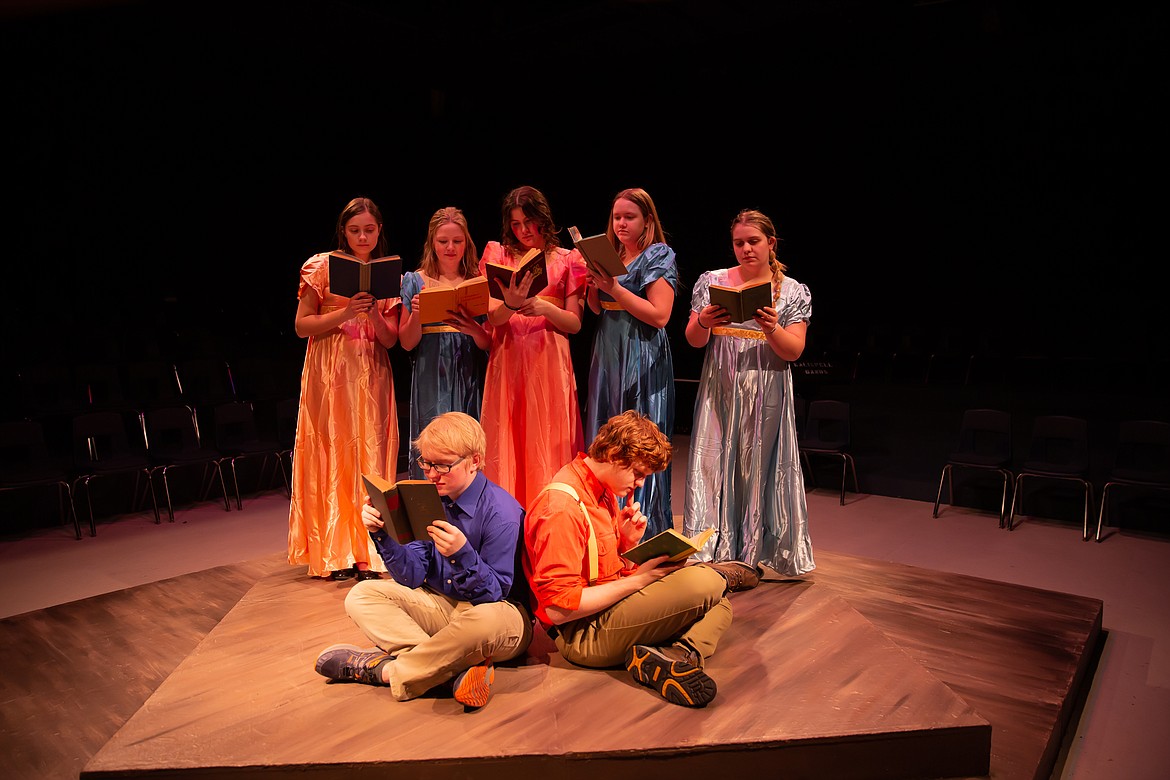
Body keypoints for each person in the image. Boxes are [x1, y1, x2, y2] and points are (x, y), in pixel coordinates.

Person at [522, 410, 758, 708]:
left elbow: (599, 572)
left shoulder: (601, 491)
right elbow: (558, 610)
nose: (640, 484)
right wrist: (641, 580)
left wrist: (625, 543)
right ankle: (721, 575)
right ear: (612, 453)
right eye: (638, 473)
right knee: (704, 582)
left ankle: (675, 657)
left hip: (608, 612)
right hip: (581, 635)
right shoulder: (561, 508)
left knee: (718, 601)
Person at [313, 412, 531, 709]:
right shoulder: (428, 499)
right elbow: (411, 576)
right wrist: (383, 535)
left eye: (443, 465)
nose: (432, 474)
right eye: (426, 463)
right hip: (444, 606)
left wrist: (462, 554)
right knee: (362, 595)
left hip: (500, 617)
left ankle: (384, 670)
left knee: (481, 622)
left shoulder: (502, 512)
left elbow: (496, 594)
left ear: (475, 461)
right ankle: (448, 670)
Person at [682, 209, 814, 577]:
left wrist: (772, 328)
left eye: (753, 241)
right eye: (739, 243)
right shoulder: (713, 280)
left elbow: (793, 351)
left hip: (764, 387)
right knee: (711, 462)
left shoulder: (791, 290)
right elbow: (693, 340)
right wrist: (704, 322)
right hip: (720, 385)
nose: (746, 249)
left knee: (755, 466)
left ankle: (750, 549)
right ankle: (708, 544)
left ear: (771, 243)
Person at [287, 197, 400, 581]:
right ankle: (336, 550)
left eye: (369, 229)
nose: (362, 236)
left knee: (371, 452)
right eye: (355, 230)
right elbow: (303, 325)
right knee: (333, 451)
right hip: (330, 372)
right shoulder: (321, 266)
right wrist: (345, 313)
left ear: (379, 230)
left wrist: (373, 317)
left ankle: (370, 551)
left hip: (371, 370)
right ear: (343, 231)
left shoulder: (388, 274)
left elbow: (391, 339)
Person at [479, 185, 587, 510]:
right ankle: (507, 521)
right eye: (515, 224)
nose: (523, 230)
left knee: (548, 438)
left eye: (528, 222)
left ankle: (550, 518)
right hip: (508, 357)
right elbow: (494, 318)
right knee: (508, 436)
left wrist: (546, 309)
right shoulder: (498, 255)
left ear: (543, 219)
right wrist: (510, 304)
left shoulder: (569, 259)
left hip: (549, 358)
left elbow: (574, 323)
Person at [583, 187, 678, 538]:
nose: (621, 223)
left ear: (647, 220)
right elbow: (596, 308)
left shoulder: (658, 254)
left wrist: (615, 287)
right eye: (617, 217)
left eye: (629, 217)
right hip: (608, 348)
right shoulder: (613, 254)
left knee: (637, 439)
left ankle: (644, 531)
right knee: (605, 433)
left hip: (640, 351)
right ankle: (604, 529)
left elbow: (660, 315)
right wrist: (594, 284)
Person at [398, 207, 490, 479]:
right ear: (432, 243)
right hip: (431, 370)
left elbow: (488, 343)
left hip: (468, 369)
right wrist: (416, 313)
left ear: (466, 243)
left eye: (457, 241)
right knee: (434, 437)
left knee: (466, 439)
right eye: (443, 241)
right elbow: (405, 342)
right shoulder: (416, 280)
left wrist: (473, 328)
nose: (450, 247)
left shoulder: (478, 281)